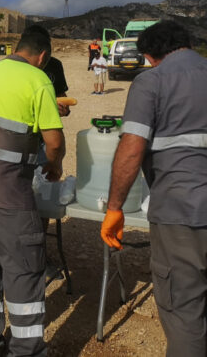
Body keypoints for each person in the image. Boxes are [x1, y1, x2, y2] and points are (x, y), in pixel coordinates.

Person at [101, 21, 207, 356]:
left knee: (185, 311)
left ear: (149, 56)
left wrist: (115, 208)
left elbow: (132, 147)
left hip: (182, 213)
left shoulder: (153, 81)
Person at [0, 27, 65, 356]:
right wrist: (55, 165)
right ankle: (27, 350)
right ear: (43, 56)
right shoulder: (38, 80)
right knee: (24, 271)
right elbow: (54, 142)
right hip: (8, 196)